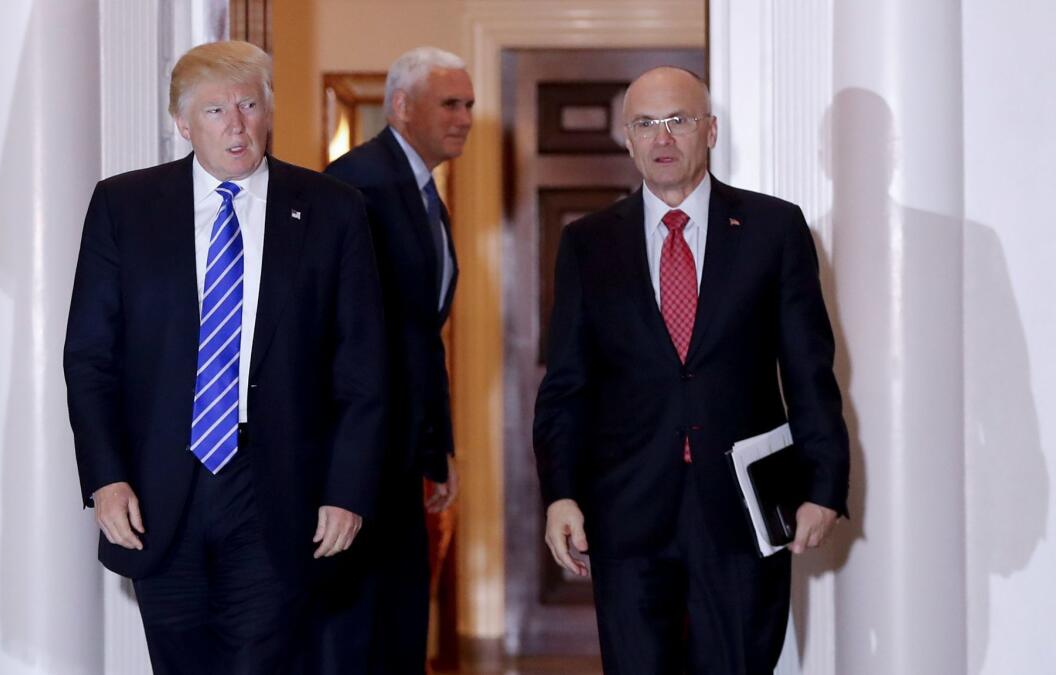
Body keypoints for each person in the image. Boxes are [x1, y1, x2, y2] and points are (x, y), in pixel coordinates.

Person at [64, 41, 386, 674]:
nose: (236, 125)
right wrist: (106, 477)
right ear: (182, 125)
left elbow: (362, 367)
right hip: (160, 492)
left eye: (248, 105)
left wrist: (347, 489)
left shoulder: (331, 210)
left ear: (268, 112)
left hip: (277, 489)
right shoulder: (124, 207)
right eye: (215, 110)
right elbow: (90, 358)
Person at [533, 67, 849, 674]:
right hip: (625, 511)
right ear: (627, 139)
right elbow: (567, 386)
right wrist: (561, 493)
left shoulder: (774, 229)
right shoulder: (588, 244)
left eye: (678, 120)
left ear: (710, 130)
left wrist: (823, 487)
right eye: (646, 124)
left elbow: (809, 370)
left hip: (741, 508)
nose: (662, 138)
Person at [314, 46, 474, 674]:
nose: (464, 117)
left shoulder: (421, 190)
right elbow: (344, 337)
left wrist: (437, 447)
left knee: (402, 627)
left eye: (468, 105)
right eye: (451, 104)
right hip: (358, 454)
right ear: (402, 107)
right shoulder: (355, 184)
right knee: (360, 633)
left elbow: (419, 334)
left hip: (402, 451)